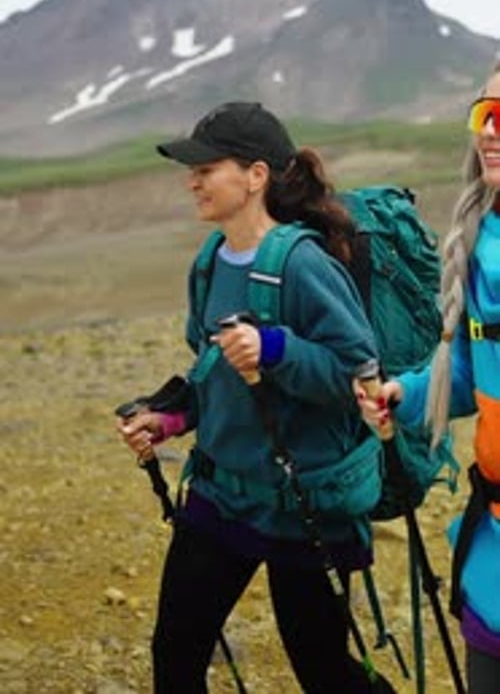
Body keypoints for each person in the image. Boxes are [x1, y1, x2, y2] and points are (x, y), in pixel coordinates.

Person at [118, 101, 396, 693]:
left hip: (305, 507)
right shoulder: (210, 260)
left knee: (321, 668)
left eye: (206, 167)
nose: (191, 180)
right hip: (222, 496)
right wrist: (169, 418)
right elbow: (214, 370)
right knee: (176, 653)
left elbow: (361, 377)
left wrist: (277, 349)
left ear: (256, 175)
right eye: (190, 169)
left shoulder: (303, 264)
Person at [358, 60, 500, 694]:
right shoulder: (480, 241)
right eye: (483, 114)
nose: (490, 131)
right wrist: (406, 392)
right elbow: (471, 367)